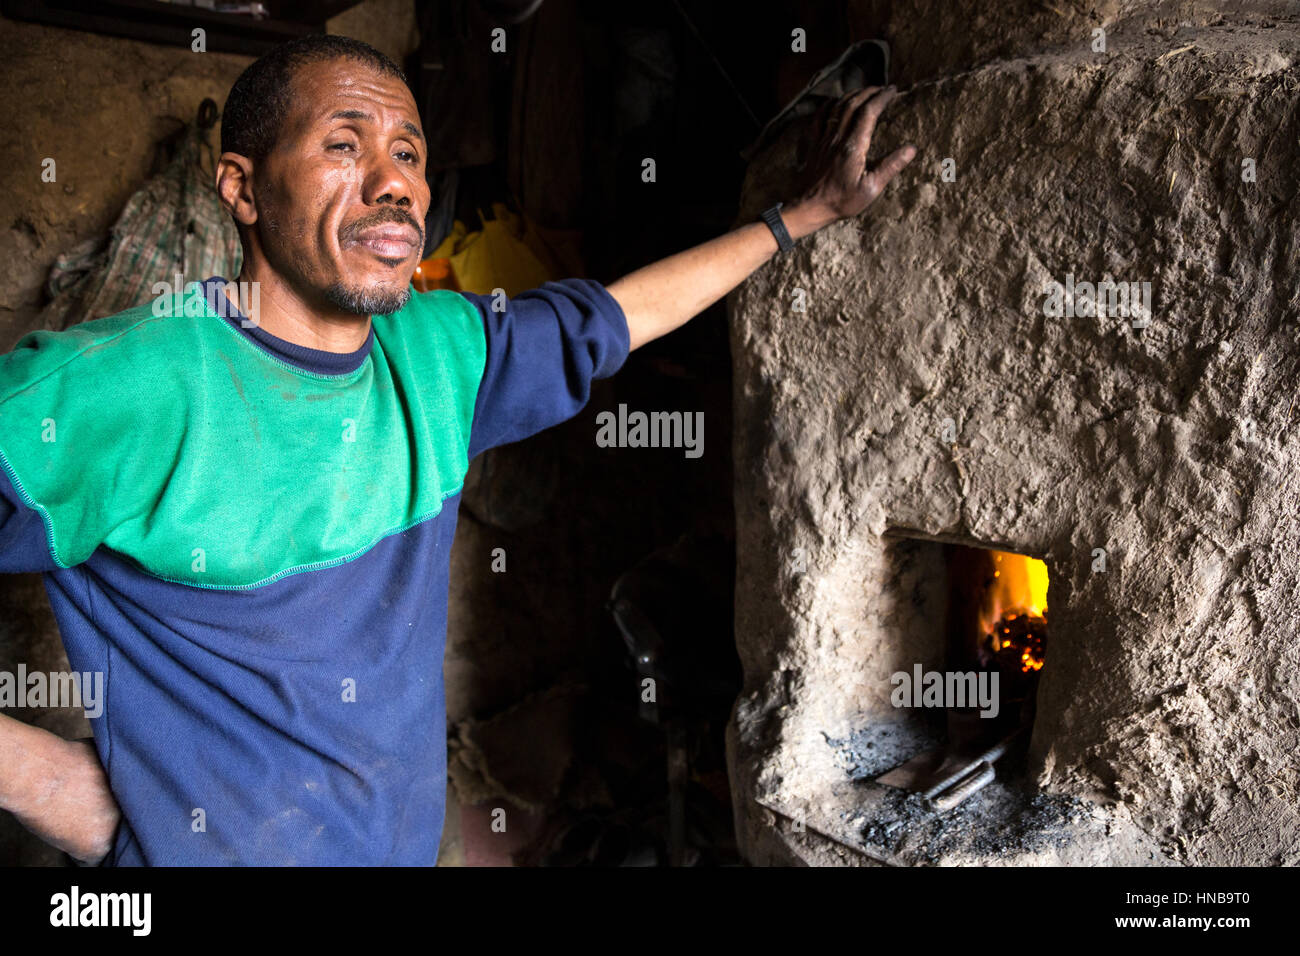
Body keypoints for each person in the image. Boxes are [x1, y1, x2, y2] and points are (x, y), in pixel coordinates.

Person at [0, 34, 913, 865]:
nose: (394, 180)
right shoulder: (119, 389)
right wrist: (57, 790)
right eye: (343, 145)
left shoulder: (442, 353)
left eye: (409, 154)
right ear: (241, 186)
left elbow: (623, 315)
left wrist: (802, 217)